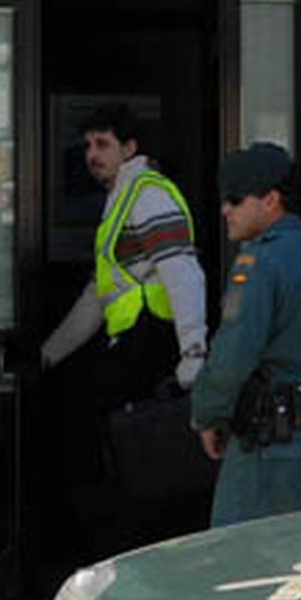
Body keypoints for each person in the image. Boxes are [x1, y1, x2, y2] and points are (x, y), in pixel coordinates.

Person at [190, 143, 301, 527]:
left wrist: (206, 414)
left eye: (235, 198)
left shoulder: (260, 262)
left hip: (275, 442)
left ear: (271, 200)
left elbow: (232, 356)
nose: (225, 209)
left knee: (240, 567)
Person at [40, 102, 208, 395]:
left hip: (151, 342)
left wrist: (193, 353)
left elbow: (181, 272)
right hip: (135, 344)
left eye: (103, 144)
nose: (92, 154)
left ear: (129, 149)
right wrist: (50, 353)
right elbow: (99, 294)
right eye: (88, 145)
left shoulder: (147, 194)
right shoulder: (120, 198)